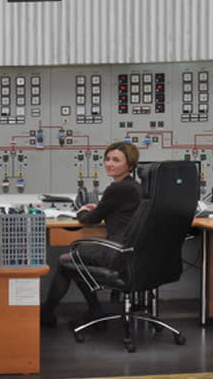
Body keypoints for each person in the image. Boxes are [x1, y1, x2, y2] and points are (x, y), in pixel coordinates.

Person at [40, 140, 142, 327]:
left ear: (130, 165)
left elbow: (89, 220)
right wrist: (101, 208)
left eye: (116, 160)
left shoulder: (117, 188)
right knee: (74, 261)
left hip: (117, 251)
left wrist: (82, 212)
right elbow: (116, 210)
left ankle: (52, 313)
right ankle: (90, 310)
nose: (109, 164)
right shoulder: (134, 186)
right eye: (107, 159)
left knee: (67, 261)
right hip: (131, 252)